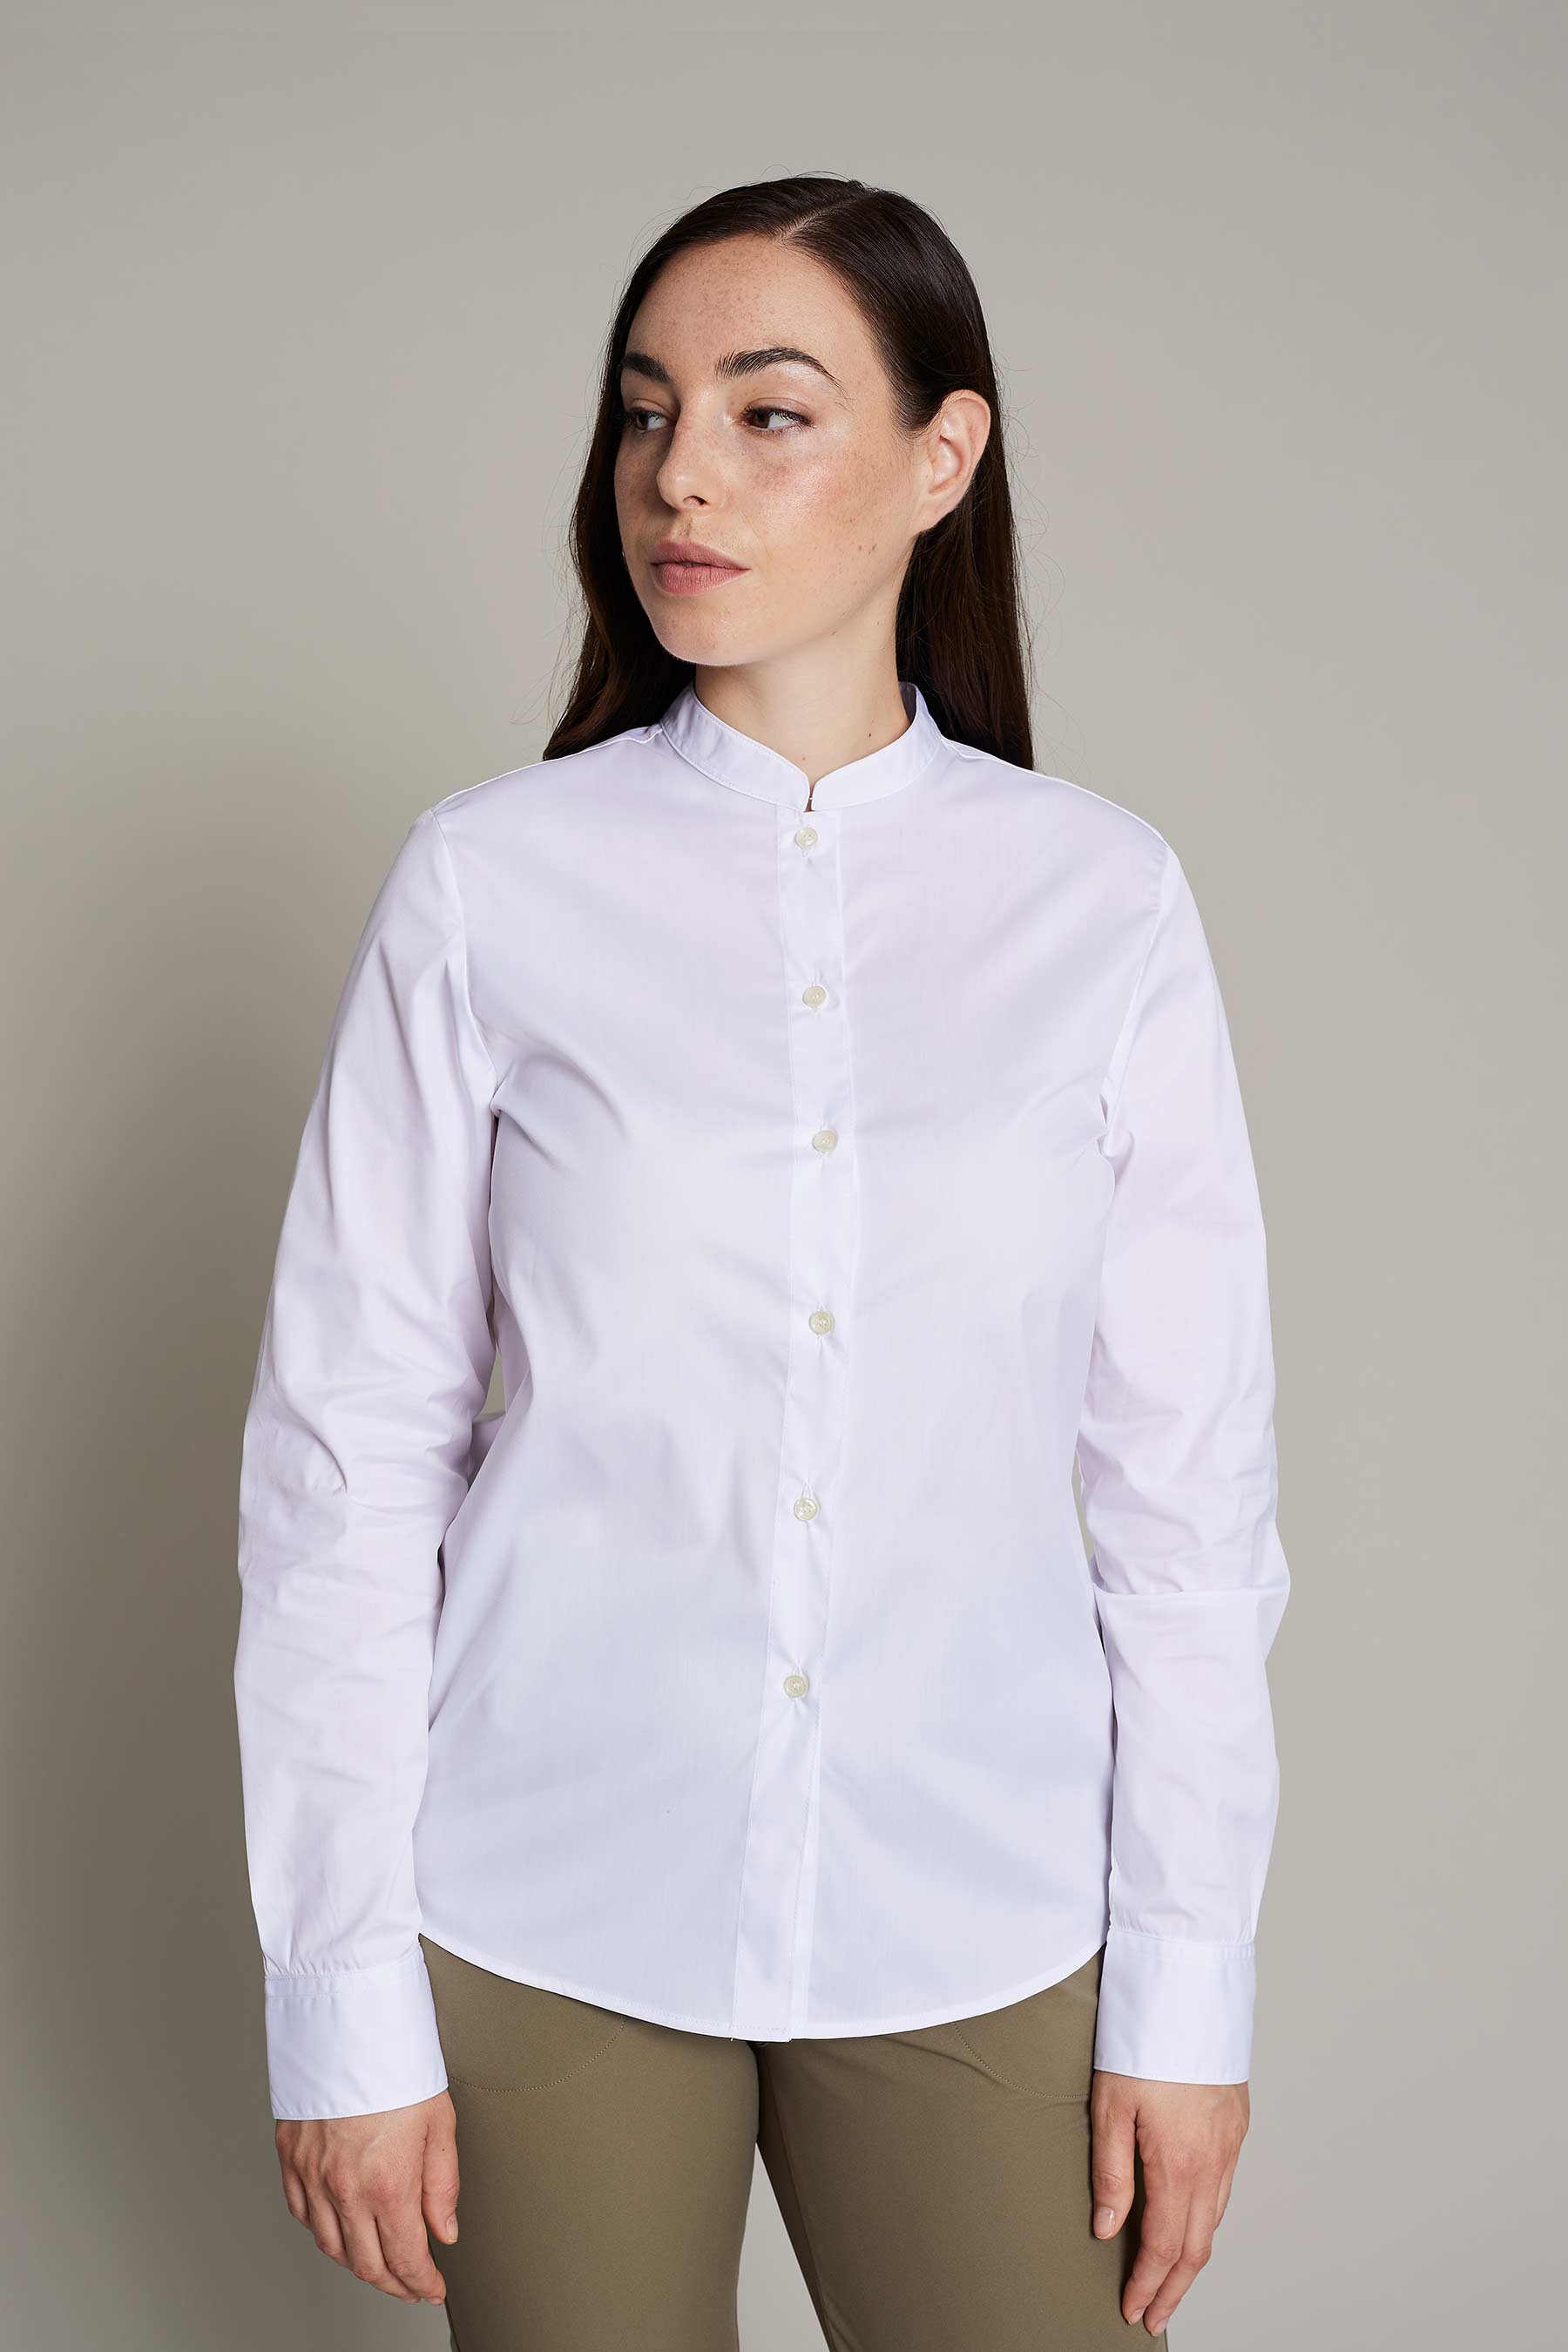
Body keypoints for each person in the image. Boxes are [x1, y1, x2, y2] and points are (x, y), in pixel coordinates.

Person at [233, 172, 1291, 2349]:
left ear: (943, 457)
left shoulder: (1102, 908)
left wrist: (1190, 1986)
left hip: (979, 1895)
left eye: (767, 411)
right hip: (547, 1892)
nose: (679, 475)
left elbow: (1183, 1501)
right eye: (645, 412)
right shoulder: (487, 888)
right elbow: (346, 1462)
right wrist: (341, 1989)